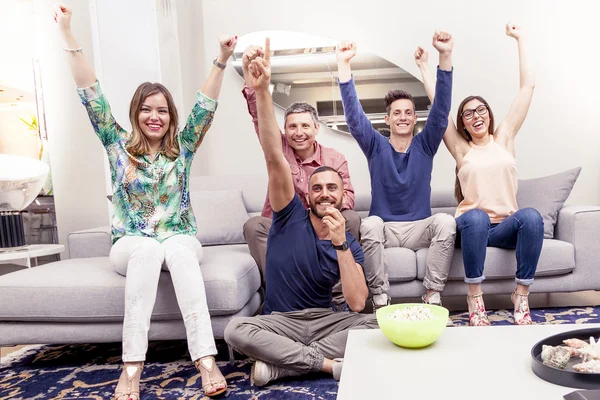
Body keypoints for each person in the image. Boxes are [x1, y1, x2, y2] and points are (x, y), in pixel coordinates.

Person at [54, 3, 234, 398]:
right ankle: (131, 369)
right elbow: (91, 94)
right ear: (136, 113)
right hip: (131, 243)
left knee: (179, 253)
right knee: (148, 252)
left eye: (163, 111)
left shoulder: (184, 148)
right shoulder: (116, 143)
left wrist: (222, 59)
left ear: (171, 116)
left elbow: (206, 105)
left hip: (179, 237)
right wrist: (68, 34)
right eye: (148, 110)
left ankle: (205, 360)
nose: (156, 117)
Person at [224, 38, 377, 387]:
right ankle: (323, 364)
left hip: (326, 319)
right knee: (235, 329)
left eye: (332, 189)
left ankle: (284, 363)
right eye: (317, 188)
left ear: (343, 196)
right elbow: (273, 157)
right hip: (281, 319)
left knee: (374, 323)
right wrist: (262, 91)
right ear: (306, 194)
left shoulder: (348, 243)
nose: (324, 194)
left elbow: (355, 304)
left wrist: (340, 245)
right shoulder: (289, 214)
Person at [415, 23, 543, 326]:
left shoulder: (505, 138)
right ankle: (475, 298)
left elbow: (527, 88)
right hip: (472, 228)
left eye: (481, 109)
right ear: (462, 122)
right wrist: (425, 68)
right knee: (475, 216)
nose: (476, 115)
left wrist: (521, 39)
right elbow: (439, 107)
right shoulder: (461, 149)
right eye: (468, 113)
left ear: (490, 114)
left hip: (504, 228)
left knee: (532, 217)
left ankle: (521, 295)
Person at [336, 33, 456, 311]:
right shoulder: (375, 146)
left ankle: (432, 294)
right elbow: (354, 118)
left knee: (447, 222)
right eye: (397, 113)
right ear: (387, 119)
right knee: (368, 224)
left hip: (419, 227)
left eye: (408, 112)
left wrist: (445, 56)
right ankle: (380, 297)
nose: (403, 117)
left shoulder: (425, 145)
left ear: (415, 118)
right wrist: (344, 65)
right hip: (386, 229)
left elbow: (441, 110)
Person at [240, 45, 361, 308]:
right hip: (285, 230)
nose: (298, 132)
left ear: (317, 128)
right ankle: (275, 287)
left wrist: (322, 211)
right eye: (292, 126)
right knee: (253, 225)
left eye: (305, 125)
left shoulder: (335, 159)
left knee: (351, 218)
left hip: (324, 228)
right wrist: (256, 85)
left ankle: (337, 293)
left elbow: (348, 196)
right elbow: (260, 120)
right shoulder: (278, 148)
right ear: (284, 130)